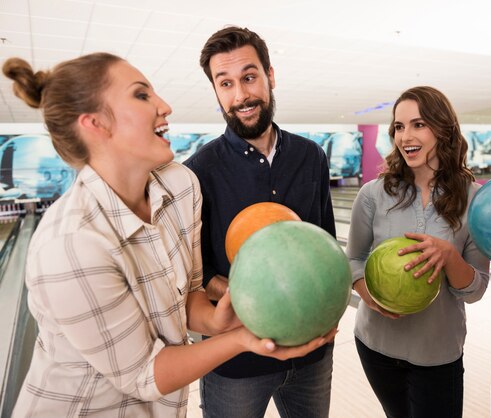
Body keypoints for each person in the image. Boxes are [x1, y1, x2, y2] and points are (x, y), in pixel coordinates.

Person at [2, 53, 335, 417]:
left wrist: (215, 320)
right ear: (95, 124)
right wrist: (241, 338)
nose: (165, 106)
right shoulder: (68, 245)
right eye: (142, 96)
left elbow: (188, 295)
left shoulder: (180, 186)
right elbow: (144, 374)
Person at [183, 26, 336, 418]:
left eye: (249, 77)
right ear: (216, 92)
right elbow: (194, 276)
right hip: (236, 362)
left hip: (311, 356)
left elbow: (326, 245)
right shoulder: (197, 173)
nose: (241, 95)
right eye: (226, 83)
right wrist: (253, 294)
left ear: (270, 76)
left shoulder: (311, 156)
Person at [346, 86, 490, 418]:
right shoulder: (373, 194)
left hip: (437, 352)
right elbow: (354, 259)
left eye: (418, 124)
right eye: (399, 126)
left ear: (443, 129)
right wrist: (369, 296)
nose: (405, 135)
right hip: (375, 345)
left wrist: (450, 258)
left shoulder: (476, 199)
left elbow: (476, 289)